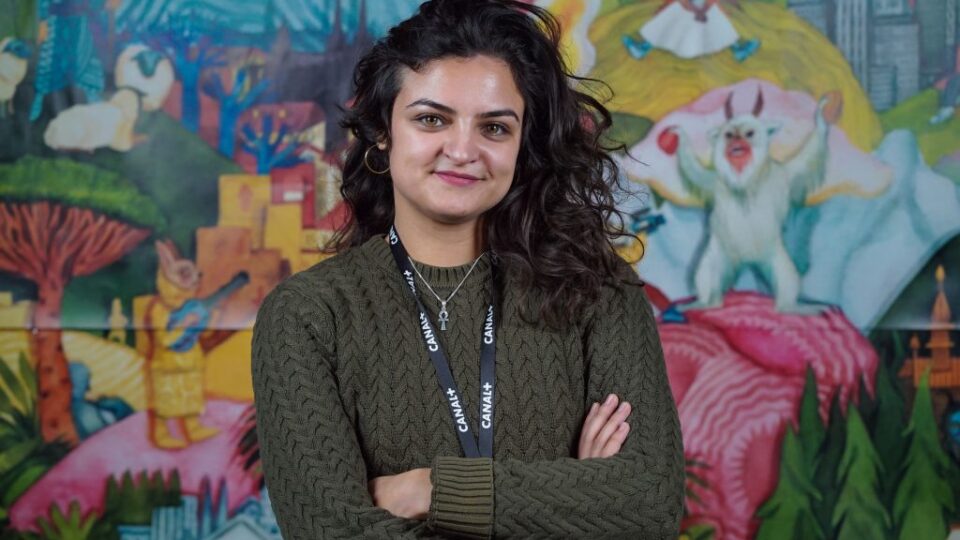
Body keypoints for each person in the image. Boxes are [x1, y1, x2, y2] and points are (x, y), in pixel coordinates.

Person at [250, 1, 684, 538]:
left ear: (523, 144)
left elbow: (650, 504)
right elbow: (331, 532)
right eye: (431, 119)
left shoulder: (599, 291)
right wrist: (575, 501)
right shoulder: (308, 316)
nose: (462, 150)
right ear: (383, 131)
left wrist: (429, 490)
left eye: (494, 128)